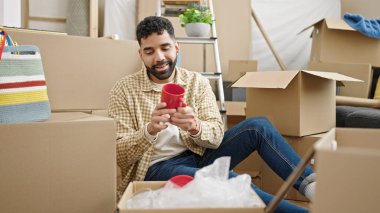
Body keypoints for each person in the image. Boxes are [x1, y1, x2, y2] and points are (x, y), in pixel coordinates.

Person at [108, 16, 315, 213]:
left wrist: (195, 126)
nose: (159, 57)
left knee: (258, 126)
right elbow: (118, 154)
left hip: (200, 153)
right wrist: (149, 130)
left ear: (177, 47)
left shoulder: (196, 82)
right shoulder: (124, 89)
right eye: (149, 51)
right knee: (228, 181)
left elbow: (216, 135)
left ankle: (312, 187)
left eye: (165, 47)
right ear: (141, 54)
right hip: (159, 166)